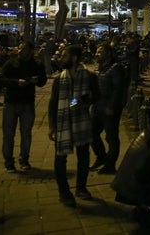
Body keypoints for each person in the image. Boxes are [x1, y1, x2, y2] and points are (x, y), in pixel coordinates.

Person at [48, 44, 100, 206]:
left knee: (83, 157)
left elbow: (96, 96)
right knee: (60, 158)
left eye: (65, 56)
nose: (62, 58)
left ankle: (81, 188)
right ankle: (64, 192)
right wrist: (51, 126)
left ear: (74, 58)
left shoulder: (90, 77)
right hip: (63, 122)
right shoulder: (59, 80)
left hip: (81, 122)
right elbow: (53, 103)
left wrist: (82, 101)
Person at [0, 41, 47, 172]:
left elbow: (43, 80)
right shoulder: (12, 63)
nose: (20, 50)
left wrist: (37, 80)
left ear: (31, 51)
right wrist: (16, 82)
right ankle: (9, 161)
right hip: (11, 102)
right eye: (20, 48)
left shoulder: (36, 64)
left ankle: (24, 159)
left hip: (27, 102)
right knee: (8, 134)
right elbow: (1, 78)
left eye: (24, 49)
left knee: (26, 134)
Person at [90, 42, 126, 174]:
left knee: (111, 137)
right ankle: (101, 157)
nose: (97, 54)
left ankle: (110, 165)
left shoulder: (116, 68)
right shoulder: (99, 68)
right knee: (92, 134)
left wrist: (111, 106)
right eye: (97, 52)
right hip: (97, 106)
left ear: (109, 53)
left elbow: (118, 89)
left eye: (100, 52)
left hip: (109, 108)